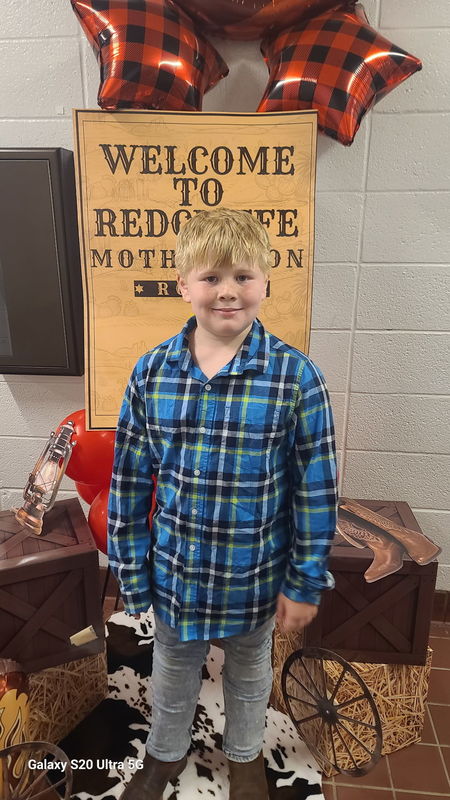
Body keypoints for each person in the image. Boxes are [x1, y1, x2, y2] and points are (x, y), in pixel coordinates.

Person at [107, 208, 338, 800]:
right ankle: (163, 753)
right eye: (210, 277)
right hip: (177, 575)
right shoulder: (150, 374)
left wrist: (305, 582)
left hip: (253, 577)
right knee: (173, 670)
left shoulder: (296, 379)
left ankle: (245, 758)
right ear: (183, 284)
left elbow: (315, 490)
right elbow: (130, 483)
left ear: (266, 281)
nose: (227, 291)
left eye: (243, 275)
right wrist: (131, 574)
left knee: (248, 673)